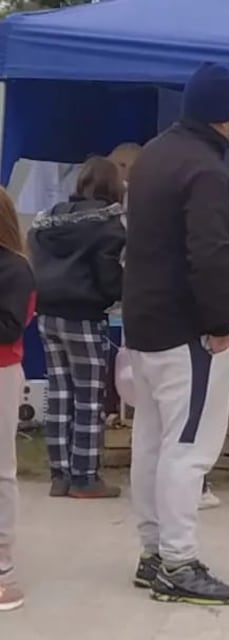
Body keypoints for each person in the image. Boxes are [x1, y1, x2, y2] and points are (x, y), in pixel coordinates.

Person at [123, 62, 229, 606]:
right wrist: (220, 324)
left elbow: (168, 220)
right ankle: (179, 561)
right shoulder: (208, 171)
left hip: (144, 325)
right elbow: (209, 255)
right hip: (190, 332)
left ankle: (153, 553)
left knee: (153, 443)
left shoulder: (155, 156)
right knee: (189, 449)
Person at [28, 156, 126, 499]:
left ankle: (60, 475)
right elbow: (110, 278)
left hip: (47, 314)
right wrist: (121, 288)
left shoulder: (49, 219)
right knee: (88, 399)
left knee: (59, 395)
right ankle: (85, 477)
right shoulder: (109, 225)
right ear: (113, 187)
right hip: (83, 316)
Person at [0, 187, 36, 612]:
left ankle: (3, 564)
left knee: (2, 469)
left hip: (2, 371)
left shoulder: (15, 269)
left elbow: (10, 327)